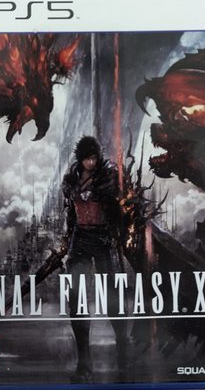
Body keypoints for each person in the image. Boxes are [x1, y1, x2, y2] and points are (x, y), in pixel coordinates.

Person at [62, 136, 128, 382]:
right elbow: (71, 213)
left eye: (93, 158)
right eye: (86, 158)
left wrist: (116, 235)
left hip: (103, 239)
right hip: (80, 239)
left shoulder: (107, 179)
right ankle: (84, 364)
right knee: (76, 299)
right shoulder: (71, 180)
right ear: (80, 158)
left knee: (111, 297)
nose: (90, 162)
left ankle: (123, 350)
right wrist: (67, 241)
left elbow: (117, 211)